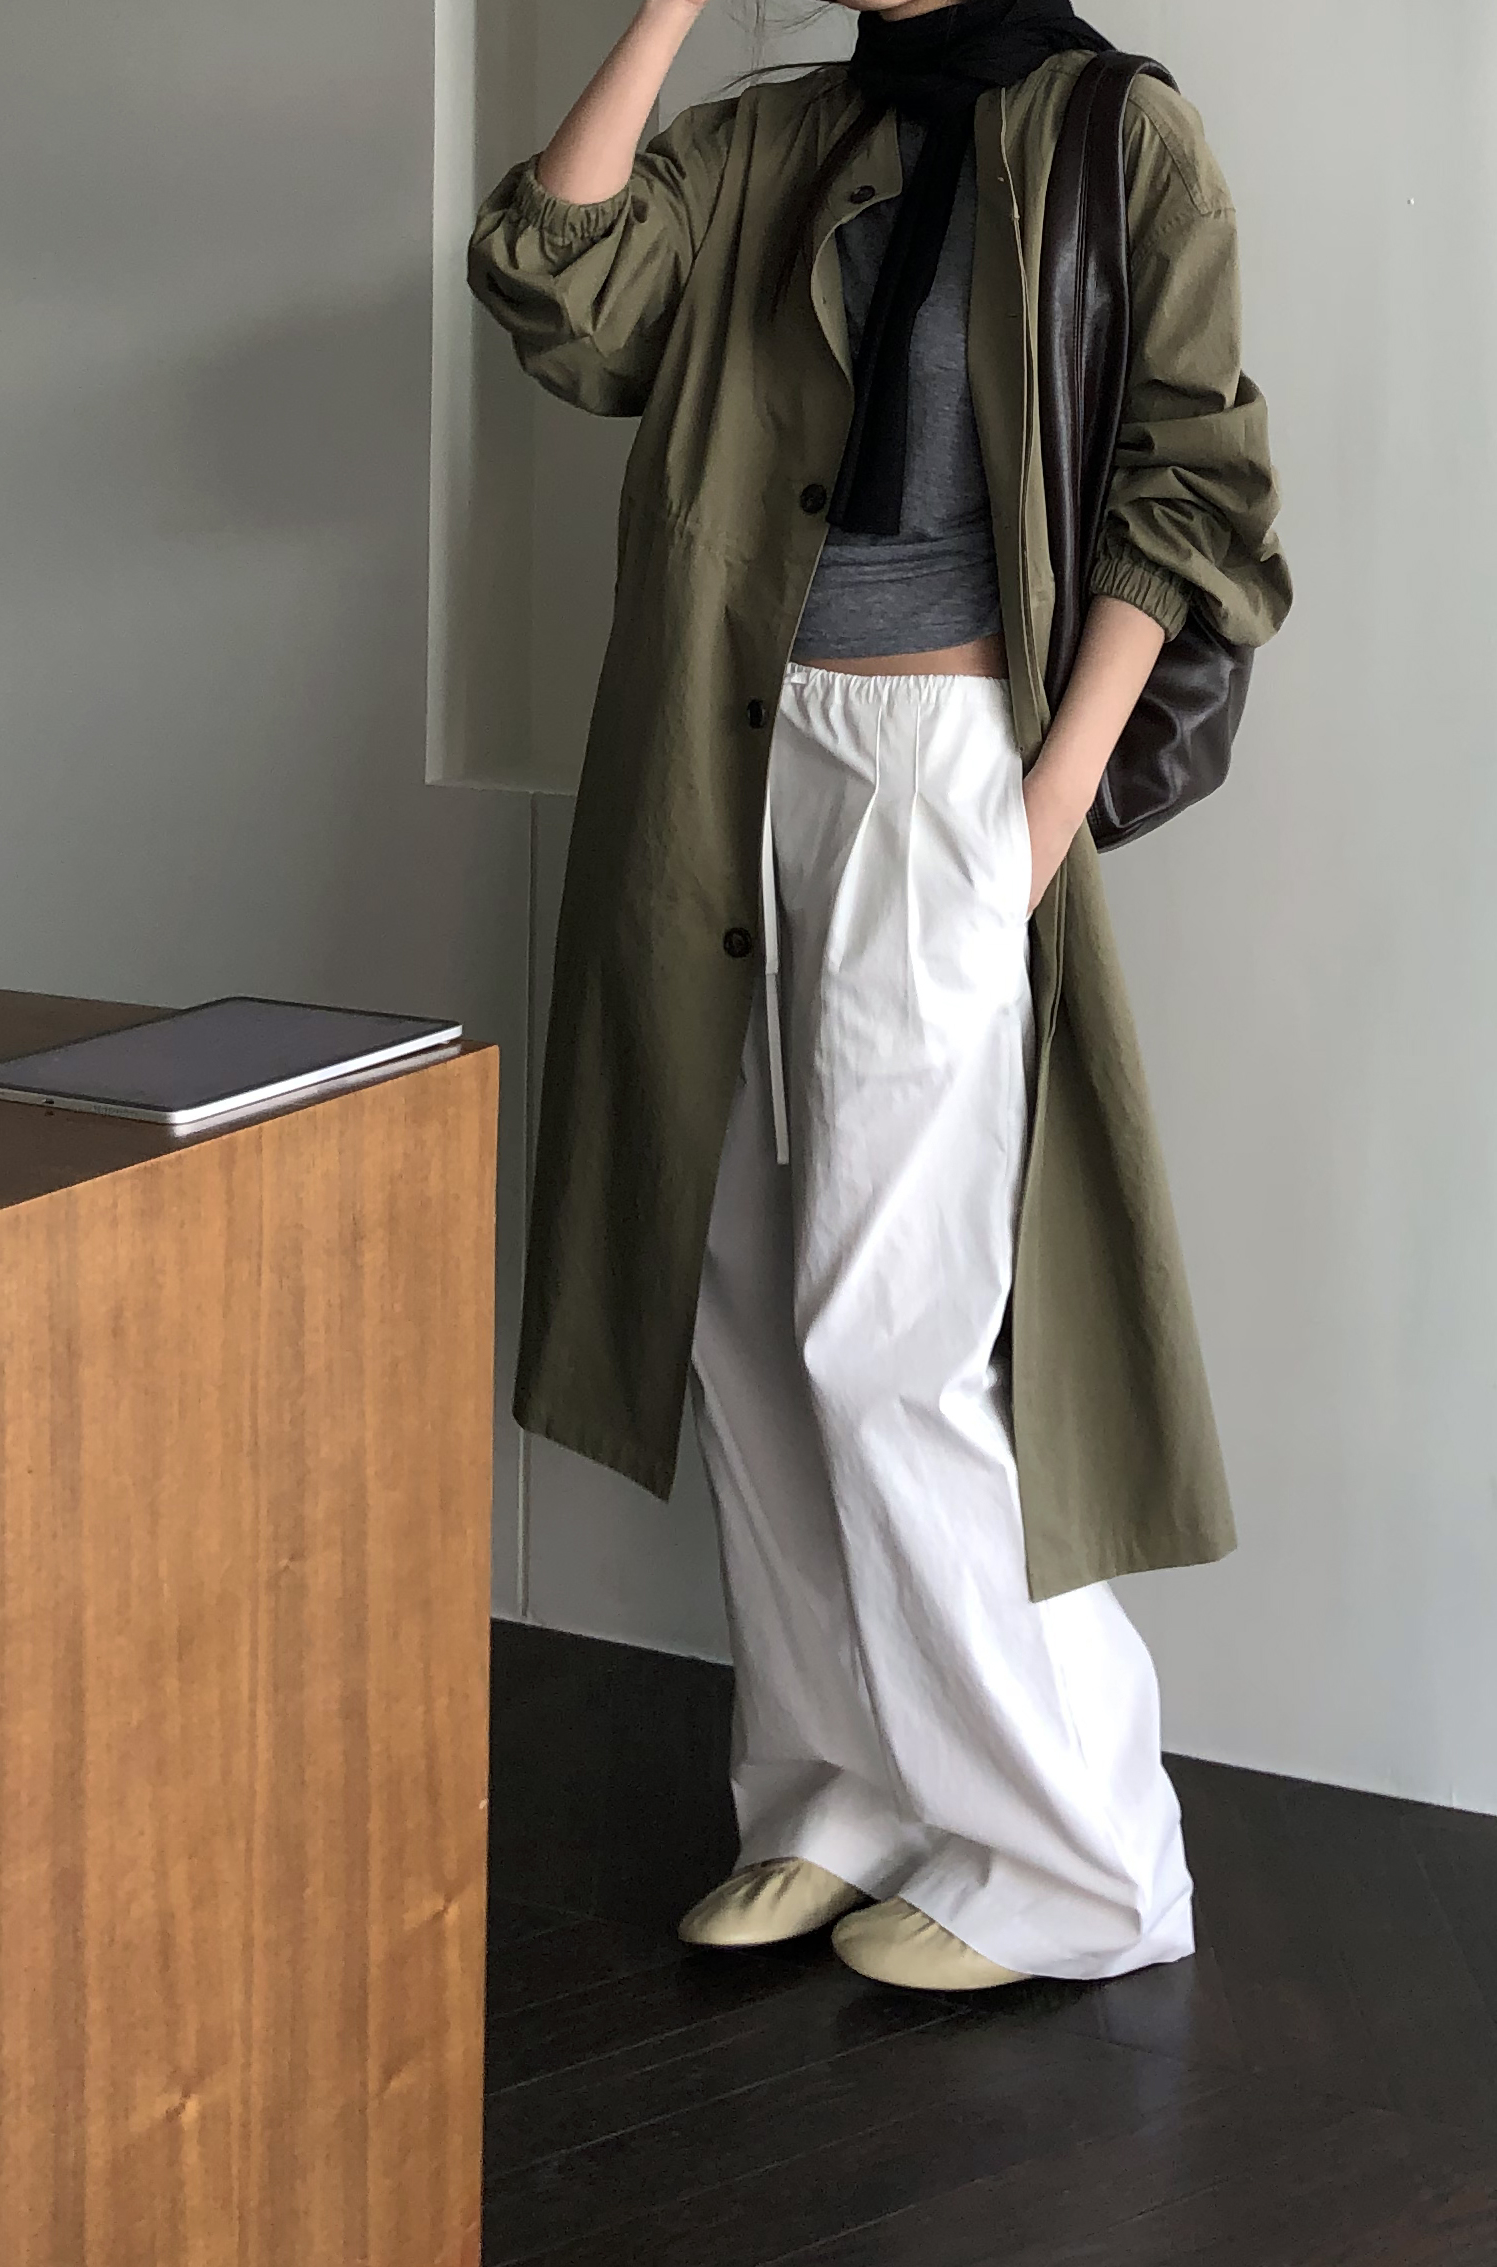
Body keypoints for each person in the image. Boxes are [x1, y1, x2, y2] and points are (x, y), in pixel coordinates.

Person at [469, 0, 1291, 1991]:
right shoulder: (772, 135)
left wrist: (1033, 815)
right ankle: (835, 1795)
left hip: (940, 773)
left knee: (891, 1334)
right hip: (717, 755)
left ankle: (1081, 1862)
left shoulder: (1116, 130)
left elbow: (1187, 490)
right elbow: (556, 289)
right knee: (742, 1303)